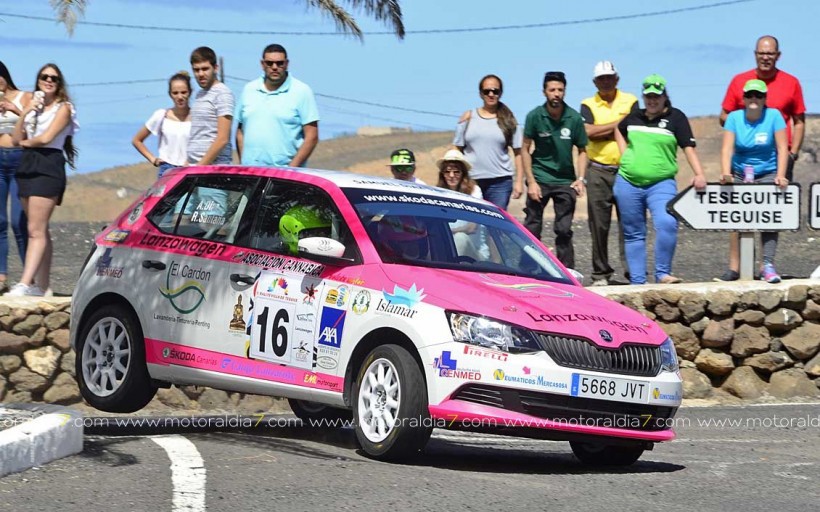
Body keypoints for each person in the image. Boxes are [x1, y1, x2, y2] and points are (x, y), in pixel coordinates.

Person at [614, 74, 706, 285]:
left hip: (661, 183)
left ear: (665, 96)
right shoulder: (634, 116)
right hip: (628, 182)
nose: (652, 100)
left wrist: (699, 173)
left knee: (667, 223)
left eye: (656, 96)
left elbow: (688, 147)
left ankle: (662, 273)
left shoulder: (676, 117)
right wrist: (624, 155)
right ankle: (637, 281)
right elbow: (618, 130)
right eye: (648, 96)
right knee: (633, 232)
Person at [9, 63, 78, 297]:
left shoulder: (64, 108)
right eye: (44, 77)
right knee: (40, 230)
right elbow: (18, 135)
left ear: (59, 84)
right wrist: (26, 112)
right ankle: (43, 285)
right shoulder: (35, 109)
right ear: (38, 80)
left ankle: (25, 282)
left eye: (54, 78)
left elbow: (47, 138)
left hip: (48, 165)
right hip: (28, 165)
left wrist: (24, 143)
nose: (48, 80)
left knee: (34, 230)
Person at [717, 79, 789, 283]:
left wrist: (781, 175)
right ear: (744, 98)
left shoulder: (774, 116)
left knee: (769, 218)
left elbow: (782, 148)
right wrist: (725, 173)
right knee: (739, 219)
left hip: (767, 171)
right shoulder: (734, 118)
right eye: (750, 95)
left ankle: (767, 264)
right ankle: (739, 267)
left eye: (758, 95)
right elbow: (727, 149)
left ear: (765, 98)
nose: (754, 99)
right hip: (740, 172)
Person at [521, 71, 588, 270]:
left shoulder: (574, 118)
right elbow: (524, 149)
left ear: (565, 92)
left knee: (564, 229)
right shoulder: (534, 116)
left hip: (565, 180)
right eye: (552, 90)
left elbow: (583, 150)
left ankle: (567, 272)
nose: (556, 94)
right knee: (532, 227)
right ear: (544, 92)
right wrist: (531, 181)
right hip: (540, 177)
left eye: (560, 90)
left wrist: (581, 178)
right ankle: (527, 270)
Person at [580, 61, 637, 286]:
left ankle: (634, 272)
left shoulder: (630, 100)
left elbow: (631, 128)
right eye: (601, 78)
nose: (606, 81)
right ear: (595, 81)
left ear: (617, 79)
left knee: (630, 223)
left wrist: (604, 129)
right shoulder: (587, 104)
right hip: (598, 170)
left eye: (609, 77)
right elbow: (587, 132)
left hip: (626, 170)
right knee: (599, 225)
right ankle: (600, 273)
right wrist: (617, 125)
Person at [720, 35, 805, 182]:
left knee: (778, 201)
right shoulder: (739, 81)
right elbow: (724, 117)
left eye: (770, 53)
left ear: (778, 55)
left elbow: (799, 122)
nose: (765, 57)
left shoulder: (791, 83)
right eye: (761, 53)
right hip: (744, 156)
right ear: (755, 54)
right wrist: (749, 128)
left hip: (779, 157)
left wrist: (793, 153)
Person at [236, 44, 319, 167]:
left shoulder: (302, 91)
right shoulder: (249, 89)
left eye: (279, 63)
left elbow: (312, 136)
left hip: (285, 176)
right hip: (252, 174)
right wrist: (245, 163)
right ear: (262, 64)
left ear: (287, 64)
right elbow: (239, 131)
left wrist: (291, 170)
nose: (274, 67)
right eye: (269, 63)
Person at [453, 74, 523, 209]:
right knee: (471, 223)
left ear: (500, 93)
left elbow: (518, 153)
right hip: (471, 181)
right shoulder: (468, 117)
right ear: (480, 94)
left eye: (495, 91)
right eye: (487, 91)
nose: (491, 94)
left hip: (500, 183)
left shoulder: (509, 120)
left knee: (495, 223)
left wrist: (519, 182)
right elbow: (457, 149)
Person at [0, 61, 30, 294]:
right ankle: (1, 276)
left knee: (18, 221)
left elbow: (34, 127)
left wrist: (14, 109)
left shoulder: (24, 97)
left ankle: (29, 279)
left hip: (19, 157)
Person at [132, 71, 192, 177]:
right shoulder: (161, 115)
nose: (180, 97)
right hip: (167, 170)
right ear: (170, 94)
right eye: (175, 93)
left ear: (190, 92)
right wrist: (153, 159)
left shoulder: (198, 118)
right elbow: (137, 140)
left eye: (183, 92)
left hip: (190, 169)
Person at [435, 148, 486, 259]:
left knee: (460, 238)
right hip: (445, 250)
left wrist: (449, 232)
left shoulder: (474, 192)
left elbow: (472, 227)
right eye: (447, 172)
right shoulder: (437, 194)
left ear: (463, 173)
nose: (452, 175)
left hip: (475, 254)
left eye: (456, 171)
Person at [187, 46, 234, 166]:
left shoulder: (222, 93)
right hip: (195, 166)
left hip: (212, 169)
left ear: (215, 68)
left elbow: (222, 138)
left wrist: (199, 167)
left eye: (205, 69)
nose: (200, 74)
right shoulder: (199, 95)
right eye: (196, 70)